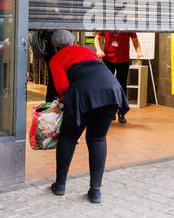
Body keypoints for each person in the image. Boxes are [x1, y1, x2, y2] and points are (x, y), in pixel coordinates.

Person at [49, 30, 129, 202]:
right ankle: (95, 191)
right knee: (97, 138)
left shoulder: (56, 59)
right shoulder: (87, 51)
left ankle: (60, 185)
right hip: (111, 93)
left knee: (68, 137)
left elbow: (62, 87)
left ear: (55, 46)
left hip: (84, 95)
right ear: (72, 41)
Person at [94, 31, 141, 124]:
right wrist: (98, 49)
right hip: (108, 60)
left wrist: (138, 52)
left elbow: (135, 40)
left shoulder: (128, 25)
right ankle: (110, 112)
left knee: (122, 86)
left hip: (123, 60)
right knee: (107, 87)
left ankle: (122, 113)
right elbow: (97, 38)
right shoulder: (107, 23)